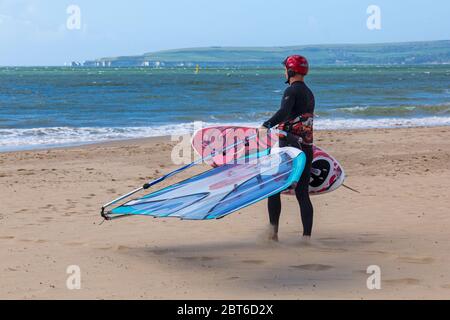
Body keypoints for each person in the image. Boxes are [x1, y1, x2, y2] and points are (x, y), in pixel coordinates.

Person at [260, 55, 315, 242]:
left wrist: (266, 125)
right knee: (302, 193)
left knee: (274, 188)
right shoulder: (309, 93)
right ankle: (307, 237)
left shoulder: (291, 91)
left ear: (291, 71)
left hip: (289, 148)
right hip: (306, 148)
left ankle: (273, 235)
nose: (284, 71)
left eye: (285, 68)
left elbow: (284, 112)